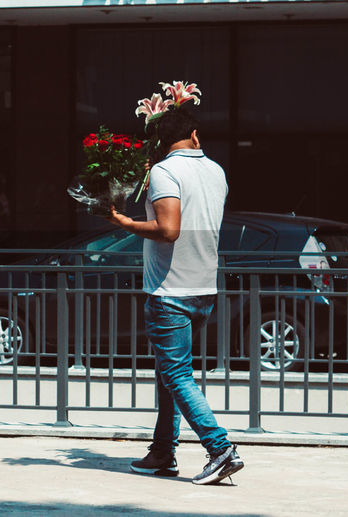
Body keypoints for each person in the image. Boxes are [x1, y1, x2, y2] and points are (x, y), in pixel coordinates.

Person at [106, 106, 243, 485]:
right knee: (171, 374)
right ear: (195, 136)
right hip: (203, 286)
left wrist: (126, 222)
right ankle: (162, 452)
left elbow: (168, 229)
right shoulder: (216, 171)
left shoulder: (165, 172)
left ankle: (220, 449)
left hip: (170, 291)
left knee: (176, 375)